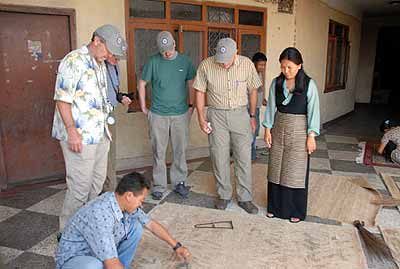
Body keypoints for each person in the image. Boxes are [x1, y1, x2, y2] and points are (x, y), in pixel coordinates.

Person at [51, 24, 127, 231]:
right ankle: (67, 232)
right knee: (80, 187)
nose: (110, 56)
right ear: (96, 41)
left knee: (97, 183)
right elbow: (62, 100)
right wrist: (71, 131)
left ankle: (86, 226)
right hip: (79, 136)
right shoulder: (73, 60)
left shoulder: (99, 63)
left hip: (100, 133)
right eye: (109, 51)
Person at [55, 172, 191, 269]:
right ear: (129, 196)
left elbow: (152, 225)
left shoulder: (120, 201)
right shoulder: (100, 214)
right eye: (141, 200)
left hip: (98, 253)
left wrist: (177, 246)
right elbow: (110, 262)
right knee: (93, 265)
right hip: (77, 259)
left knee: (136, 227)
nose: (141, 205)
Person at [193, 38, 262, 214]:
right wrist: (201, 118)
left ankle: (245, 198)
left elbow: (253, 90)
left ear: (236, 52)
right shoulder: (207, 65)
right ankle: (223, 195)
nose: (223, 65)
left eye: (227, 60)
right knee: (219, 156)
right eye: (220, 60)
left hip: (240, 114)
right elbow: (199, 92)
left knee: (243, 157)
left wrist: (252, 115)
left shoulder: (246, 64)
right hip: (216, 115)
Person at [263, 47, 320, 223]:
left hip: (299, 131)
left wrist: (311, 136)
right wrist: (267, 129)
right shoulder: (276, 83)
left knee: (294, 170)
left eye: (290, 67)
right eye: (283, 67)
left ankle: (295, 210)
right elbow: (271, 107)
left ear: (299, 65)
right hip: (279, 128)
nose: (286, 71)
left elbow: (313, 111)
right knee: (276, 169)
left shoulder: (309, 84)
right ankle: (274, 207)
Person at [138, 31, 196, 200]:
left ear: (174, 45)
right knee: (158, 151)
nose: (167, 53)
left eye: (169, 49)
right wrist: (143, 106)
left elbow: (192, 83)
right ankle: (159, 185)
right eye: (163, 51)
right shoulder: (153, 61)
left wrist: (191, 106)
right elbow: (142, 83)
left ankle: (179, 182)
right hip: (158, 114)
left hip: (180, 114)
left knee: (180, 150)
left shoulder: (184, 61)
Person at [102, 54, 133, 192]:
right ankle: (107, 189)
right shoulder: (97, 65)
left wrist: (121, 97)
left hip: (110, 111)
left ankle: (109, 187)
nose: (117, 60)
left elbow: (113, 91)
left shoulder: (114, 66)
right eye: (115, 56)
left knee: (111, 151)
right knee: (104, 152)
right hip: (98, 114)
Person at [250, 52, 268, 161]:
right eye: (260, 64)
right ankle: (251, 157)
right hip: (250, 109)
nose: (263, 67)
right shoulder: (251, 74)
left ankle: (251, 154)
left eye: (264, 65)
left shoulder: (259, 73)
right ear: (254, 63)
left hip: (256, 107)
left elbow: (260, 90)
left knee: (254, 132)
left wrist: (263, 100)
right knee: (251, 132)